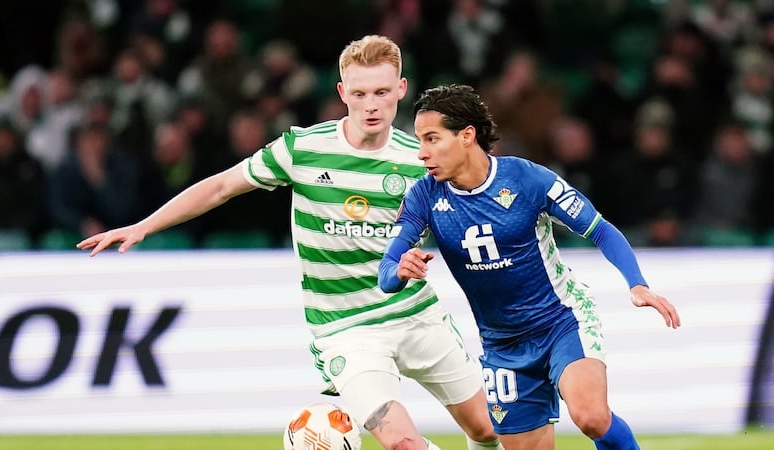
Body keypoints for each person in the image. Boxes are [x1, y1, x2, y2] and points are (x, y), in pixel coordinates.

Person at [77, 35, 501, 450]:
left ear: (401, 90)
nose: (371, 104)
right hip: (346, 330)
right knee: (403, 443)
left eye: (381, 92)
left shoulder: (420, 159)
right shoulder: (302, 149)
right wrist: (145, 225)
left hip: (414, 314)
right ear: (341, 92)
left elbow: (475, 214)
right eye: (359, 93)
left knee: (487, 430)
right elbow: (222, 186)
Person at [379, 84, 681, 450]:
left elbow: (600, 229)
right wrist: (401, 269)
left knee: (590, 416)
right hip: (502, 345)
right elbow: (387, 272)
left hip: (561, 321)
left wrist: (637, 283)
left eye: (431, 138)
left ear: (466, 136)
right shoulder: (423, 196)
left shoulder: (526, 180)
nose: (422, 153)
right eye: (419, 140)